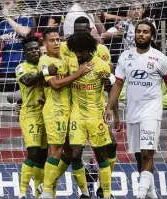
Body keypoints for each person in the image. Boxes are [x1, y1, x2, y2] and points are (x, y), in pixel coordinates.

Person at [104, 21, 167, 199]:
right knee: (140, 155)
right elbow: (117, 84)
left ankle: (140, 195)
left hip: (152, 111)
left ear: (152, 36)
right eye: (139, 31)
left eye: (146, 32)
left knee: (148, 152)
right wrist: (110, 108)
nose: (141, 34)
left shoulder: (160, 58)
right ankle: (151, 193)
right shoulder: (125, 57)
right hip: (133, 111)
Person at [60, 16, 120, 198]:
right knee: (75, 155)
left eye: (81, 52)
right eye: (76, 52)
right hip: (76, 114)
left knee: (102, 154)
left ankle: (106, 192)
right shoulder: (70, 61)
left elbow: (113, 85)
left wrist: (113, 112)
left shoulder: (101, 62)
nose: (78, 55)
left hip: (96, 115)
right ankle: (85, 192)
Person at [39, 28, 93, 199]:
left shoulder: (66, 58)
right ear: (45, 43)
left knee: (72, 153)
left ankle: (83, 192)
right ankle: (47, 191)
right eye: (51, 40)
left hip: (71, 110)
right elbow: (55, 84)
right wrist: (78, 74)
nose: (55, 43)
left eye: (57, 39)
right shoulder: (44, 61)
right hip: (55, 111)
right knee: (56, 150)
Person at [15, 36, 58, 199]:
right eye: (30, 49)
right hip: (30, 115)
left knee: (42, 156)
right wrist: (46, 72)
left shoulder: (44, 63)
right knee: (32, 153)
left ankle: (38, 194)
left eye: (36, 48)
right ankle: (22, 192)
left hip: (46, 114)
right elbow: (27, 81)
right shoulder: (21, 67)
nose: (34, 51)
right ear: (25, 52)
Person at [0, 0, 33, 92]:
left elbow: (24, 32)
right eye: (2, 4)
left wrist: (8, 18)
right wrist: (0, 39)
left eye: (7, 3)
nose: (4, 7)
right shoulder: (1, 24)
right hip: (6, 67)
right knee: (7, 99)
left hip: (23, 65)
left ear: (15, 4)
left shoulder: (25, 19)